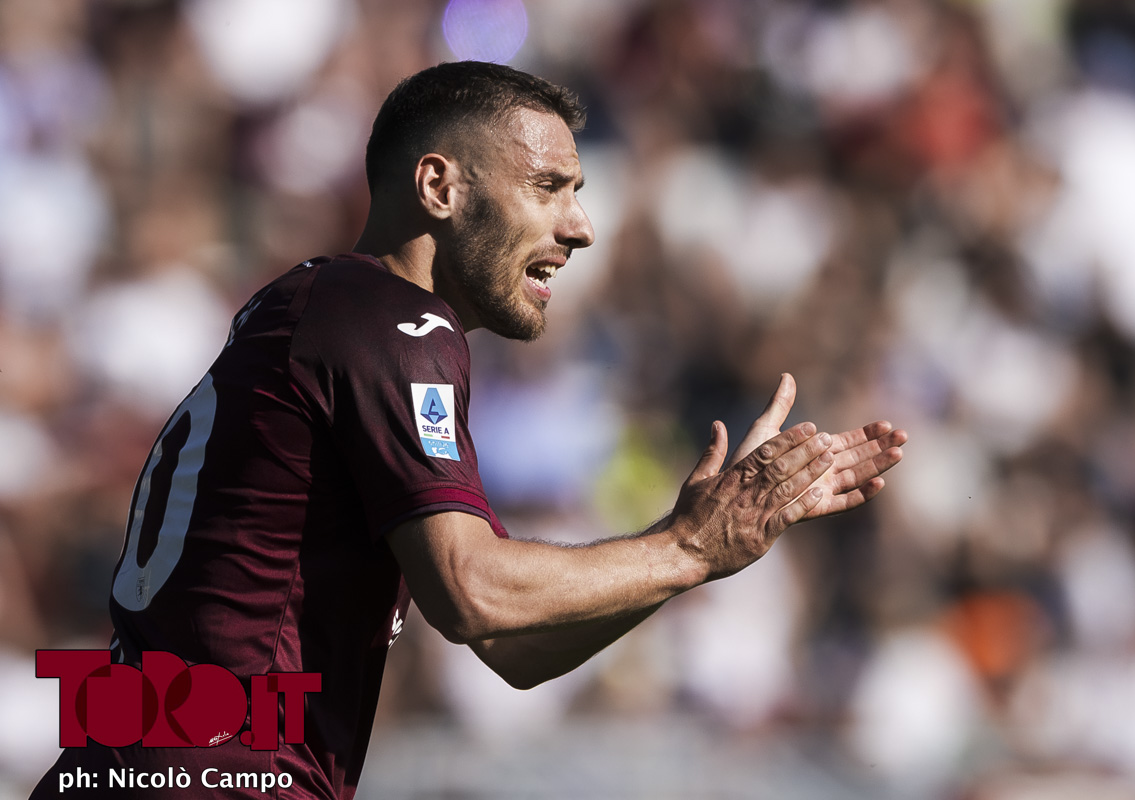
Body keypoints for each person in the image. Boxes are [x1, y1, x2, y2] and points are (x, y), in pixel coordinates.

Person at [32, 61, 906, 799]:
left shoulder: (325, 309)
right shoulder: (393, 321)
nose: (580, 227)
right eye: (549, 187)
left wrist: (697, 557)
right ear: (439, 187)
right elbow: (474, 593)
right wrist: (688, 545)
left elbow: (510, 645)